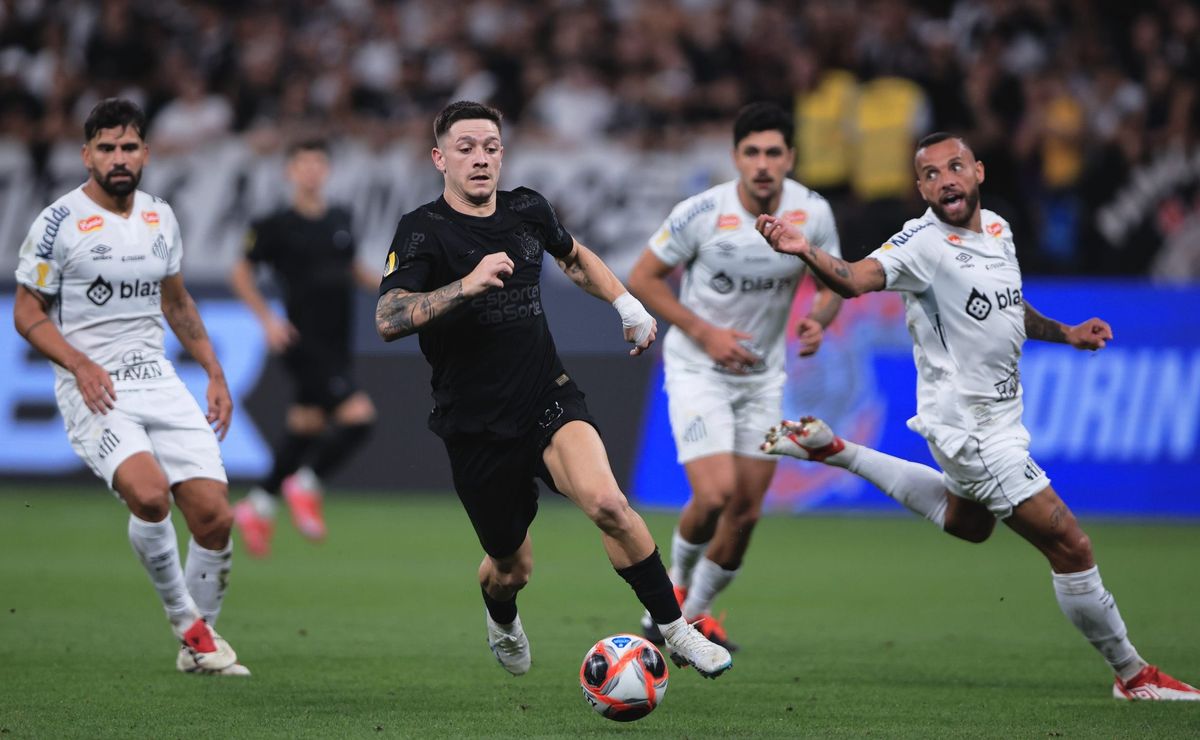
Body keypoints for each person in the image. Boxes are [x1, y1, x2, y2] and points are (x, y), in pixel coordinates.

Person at [758, 132, 1199, 701]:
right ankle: (1133, 676)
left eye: (955, 167)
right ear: (920, 187)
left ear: (979, 172)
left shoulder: (999, 230)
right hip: (970, 429)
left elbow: (1009, 308)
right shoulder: (920, 243)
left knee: (971, 523)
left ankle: (834, 451)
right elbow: (852, 278)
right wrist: (805, 251)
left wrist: (1065, 333)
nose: (946, 180)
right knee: (1072, 548)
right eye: (932, 174)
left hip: (1000, 419)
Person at [375, 100, 732, 678]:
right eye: (465, 148)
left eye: (490, 146)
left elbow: (573, 257)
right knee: (510, 566)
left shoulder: (527, 210)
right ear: (440, 158)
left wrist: (626, 303)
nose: (481, 158)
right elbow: (388, 318)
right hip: (475, 424)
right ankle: (502, 614)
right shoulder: (423, 230)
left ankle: (675, 629)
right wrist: (464, 286)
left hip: (547, 398)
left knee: (611, 504)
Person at [11, 98, 249, 676]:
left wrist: (214, 373)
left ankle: (200, 646)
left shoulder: (160, 216)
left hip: (157, 378)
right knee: (148, 495)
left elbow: (176, 302)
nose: (119, 158)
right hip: (93, 386)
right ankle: (186, 624)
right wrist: (79, 364)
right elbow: (26, 312)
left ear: (145, 152)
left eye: (129, 147)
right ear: (87, 153)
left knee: (215, 517)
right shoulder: (57, 222)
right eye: (107, 148)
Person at [627, 102, 843, 650]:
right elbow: (643, 278)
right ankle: (671, 596)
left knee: (745, 511)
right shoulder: (701, 212)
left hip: (763, 378)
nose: (763, 164)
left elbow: (831, 282)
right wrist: (705, 332)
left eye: (774, 152)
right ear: (735, 158)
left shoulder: (813, 214)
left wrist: (818, 320)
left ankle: (692, 620)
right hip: (698, 368)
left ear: (791, 157)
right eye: (752, 152)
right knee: (716, 494)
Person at [229, 139, 378, 558]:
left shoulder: (341, 217)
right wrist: (267, 319)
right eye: (303, 164)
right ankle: (306, 483)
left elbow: (352, 270)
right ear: (289, 172)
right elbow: (240, 274)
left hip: (338, 338)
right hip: (301, 340)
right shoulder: (275, 224)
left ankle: (256, 505)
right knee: (359, 418)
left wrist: (395, 289)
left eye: (318, 163)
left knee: (305, 426)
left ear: (327, 170)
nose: (311, 171)